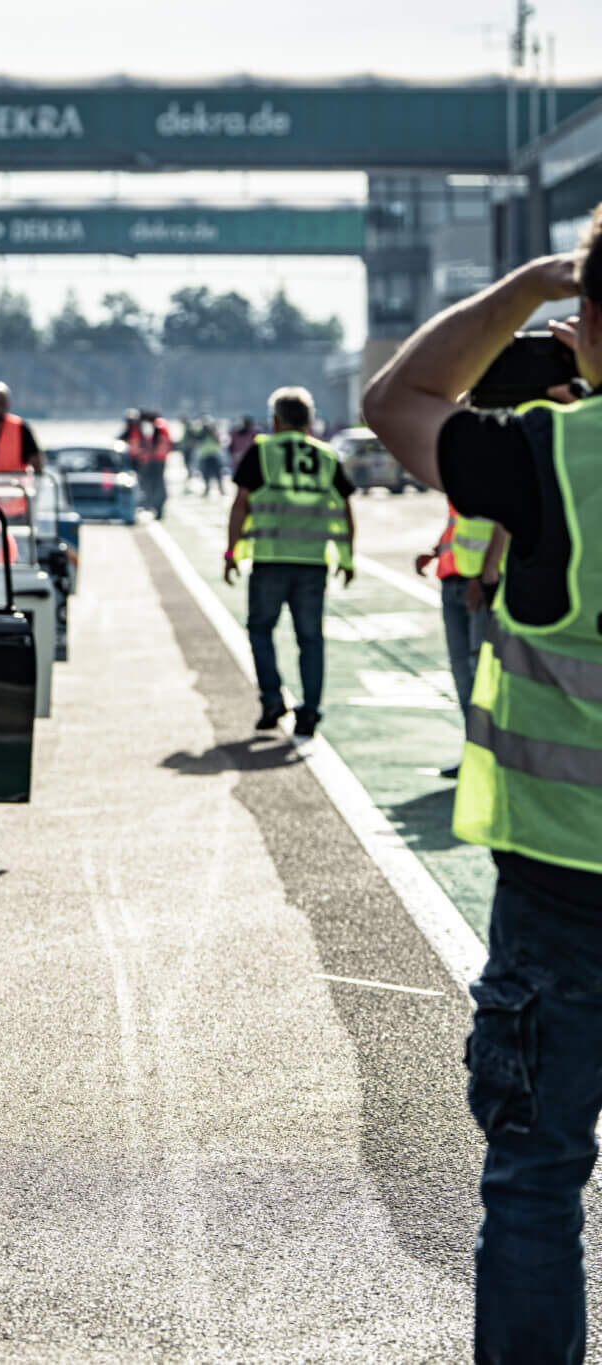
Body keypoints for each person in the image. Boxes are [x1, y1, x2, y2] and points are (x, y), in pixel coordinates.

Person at [361, 207, 602, 1365]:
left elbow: (397, 402)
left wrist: (524, 286)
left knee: (534, 1185)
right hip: (553, 885)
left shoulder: (551, 454)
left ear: (586, 327)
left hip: (560, 886)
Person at [222, 385, 355, 738]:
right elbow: (344, 510)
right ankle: (310, 710)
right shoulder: (327, 456)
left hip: (270, 559)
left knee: (260, 629)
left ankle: (271, 697)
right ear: (310, 420)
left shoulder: (262, 452)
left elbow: (241, 505)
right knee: (311, 638)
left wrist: (231, 551)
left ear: (276, 420)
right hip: (313, 562)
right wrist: (347, 557)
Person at [413, 503, 508, 778]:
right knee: (462, 673)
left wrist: (482, 576)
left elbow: (501, 526)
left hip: (477, 584)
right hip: (453, 581)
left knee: (478, 673)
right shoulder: (462, 480)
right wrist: (435, 551)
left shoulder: (493, 473)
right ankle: (474, 752)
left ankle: (490, 756)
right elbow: (459, 527)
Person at [134, 407, 174, 518]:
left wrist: (147, 454)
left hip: (156, 459)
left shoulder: (157, 425)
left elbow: (154, 443)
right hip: (160, 458)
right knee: (157, 484)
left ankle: (155, 505)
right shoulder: (162, 424)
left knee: (155, 484)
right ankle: (154, 505)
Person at [195, 416, 226, 495]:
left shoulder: (214, 433)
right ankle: (207, 489)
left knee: (218, 474)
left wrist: (212, 432)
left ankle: (221, 489)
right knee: (205, 474)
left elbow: (219, 441)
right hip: (204, 456)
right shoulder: (200, 433)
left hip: (213, 455)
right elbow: (196, 441)